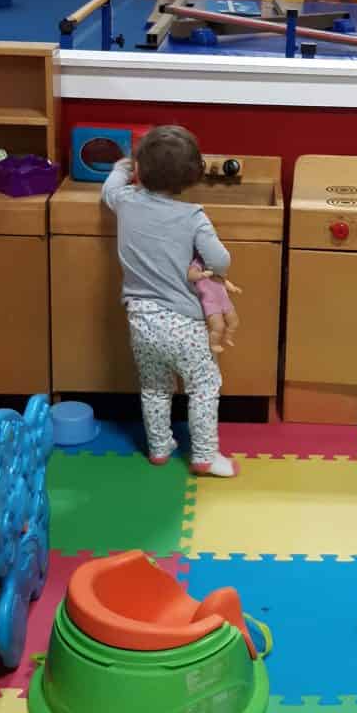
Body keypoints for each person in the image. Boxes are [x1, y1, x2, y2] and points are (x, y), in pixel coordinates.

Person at [102, 125, 238, 478]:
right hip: (184, 324)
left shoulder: (126, 201)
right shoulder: (193, 217)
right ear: (191, 177)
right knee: (204, 386)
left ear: (139, 171)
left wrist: (121, 167)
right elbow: (221, 261)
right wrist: (202, 264)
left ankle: (160, 448)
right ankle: (205, 456)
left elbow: (110, 190)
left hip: (140, 321)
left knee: (154, 388)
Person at [188, 257, 242, 355]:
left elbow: (223, 280)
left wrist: (233, 288)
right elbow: (190, 276)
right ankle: (214, 344)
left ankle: (228, 337)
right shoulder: (199, 262)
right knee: (218, 326)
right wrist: (201, 275)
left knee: (234, 321)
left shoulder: (216, 264)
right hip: (210, 302)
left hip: (224, 299)